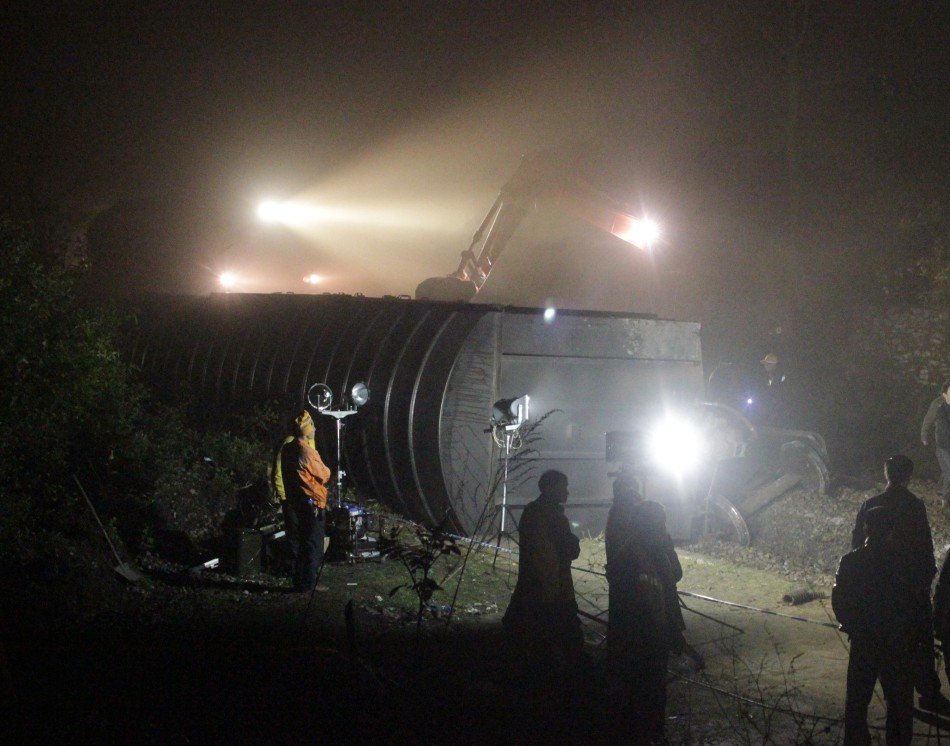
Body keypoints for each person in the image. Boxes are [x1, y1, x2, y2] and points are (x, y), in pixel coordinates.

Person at [850, 454, 947, 713]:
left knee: (884, 645)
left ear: (886, 473)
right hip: (911, 587)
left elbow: (856, 546)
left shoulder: (871, 504)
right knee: (921, 641)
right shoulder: (914, 506)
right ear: (908, 476)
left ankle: (891, 697)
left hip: (879, 590)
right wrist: (924, 581)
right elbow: (924, 547)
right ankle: (927, 691)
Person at [834, 506, 916, 745]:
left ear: (865, 528)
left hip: (864, 640)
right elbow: (912, 603)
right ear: (892, 530)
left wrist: (852, 625)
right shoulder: (902, 563)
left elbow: (839, 600)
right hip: (895, 642)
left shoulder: (851, 562)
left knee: (857, 703)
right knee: (899, 704)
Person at [605, 499, 684, 744]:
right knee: (638, 693)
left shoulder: (657, 554)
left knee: (653, 693)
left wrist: (673, 631)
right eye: (659, 523)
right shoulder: (628, 558)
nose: (663, 528)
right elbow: (629, 603)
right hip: (637, 640)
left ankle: (652, 733)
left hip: (654, 638)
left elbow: (673, 580)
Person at [502, 470, 583, 666]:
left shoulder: (532, 511)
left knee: (533, 637)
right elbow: (570, 550)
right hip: (553, 586)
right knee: (565, 639)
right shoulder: (553, 517)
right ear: (550, 489)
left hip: (534, 583)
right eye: (563, 487)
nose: (567, 492)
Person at [280, 411, 331, 593]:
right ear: (307, 430)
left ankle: (299, 581)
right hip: (312, 504)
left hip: (297, 501)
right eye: (313, 426)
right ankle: (309, 584)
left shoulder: (288, 449)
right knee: (313, 545)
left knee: (300, 543)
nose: (315, 429)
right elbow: (324, 474)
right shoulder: (307, 451)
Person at [273, 418, 316, 572]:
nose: (314, 428)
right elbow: (279, 469)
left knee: (305, 535)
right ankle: (293, 569)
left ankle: (303, 569)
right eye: (311, 426)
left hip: (306, 496)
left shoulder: (309, 443)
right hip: (292, 496)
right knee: (295, 534)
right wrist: (282, 494)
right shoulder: (290, 444)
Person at [921, 381, 950, 508]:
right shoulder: (937, 405)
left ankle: (938, 491)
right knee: (949, 470)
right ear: (944, 393)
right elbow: (928, 420)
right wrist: (924, 435)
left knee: (946, 470)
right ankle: (945, 499)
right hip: (943, 444)